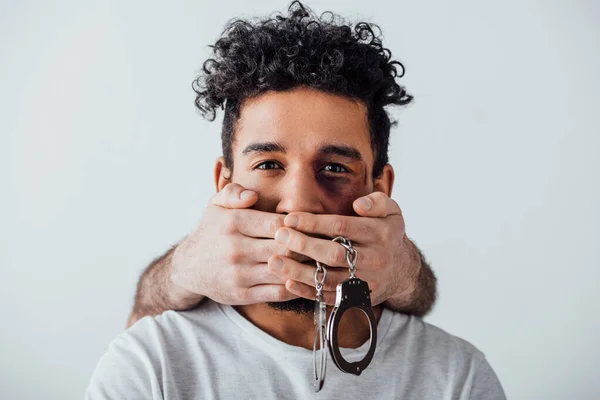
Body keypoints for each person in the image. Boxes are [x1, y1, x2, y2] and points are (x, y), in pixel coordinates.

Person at [86, 2, 505, 399]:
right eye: (269, 164)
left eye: (336, 168)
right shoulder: (150, 365)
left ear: (381, 189)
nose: (298, 204)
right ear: (223, 183)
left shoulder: (457, 377)